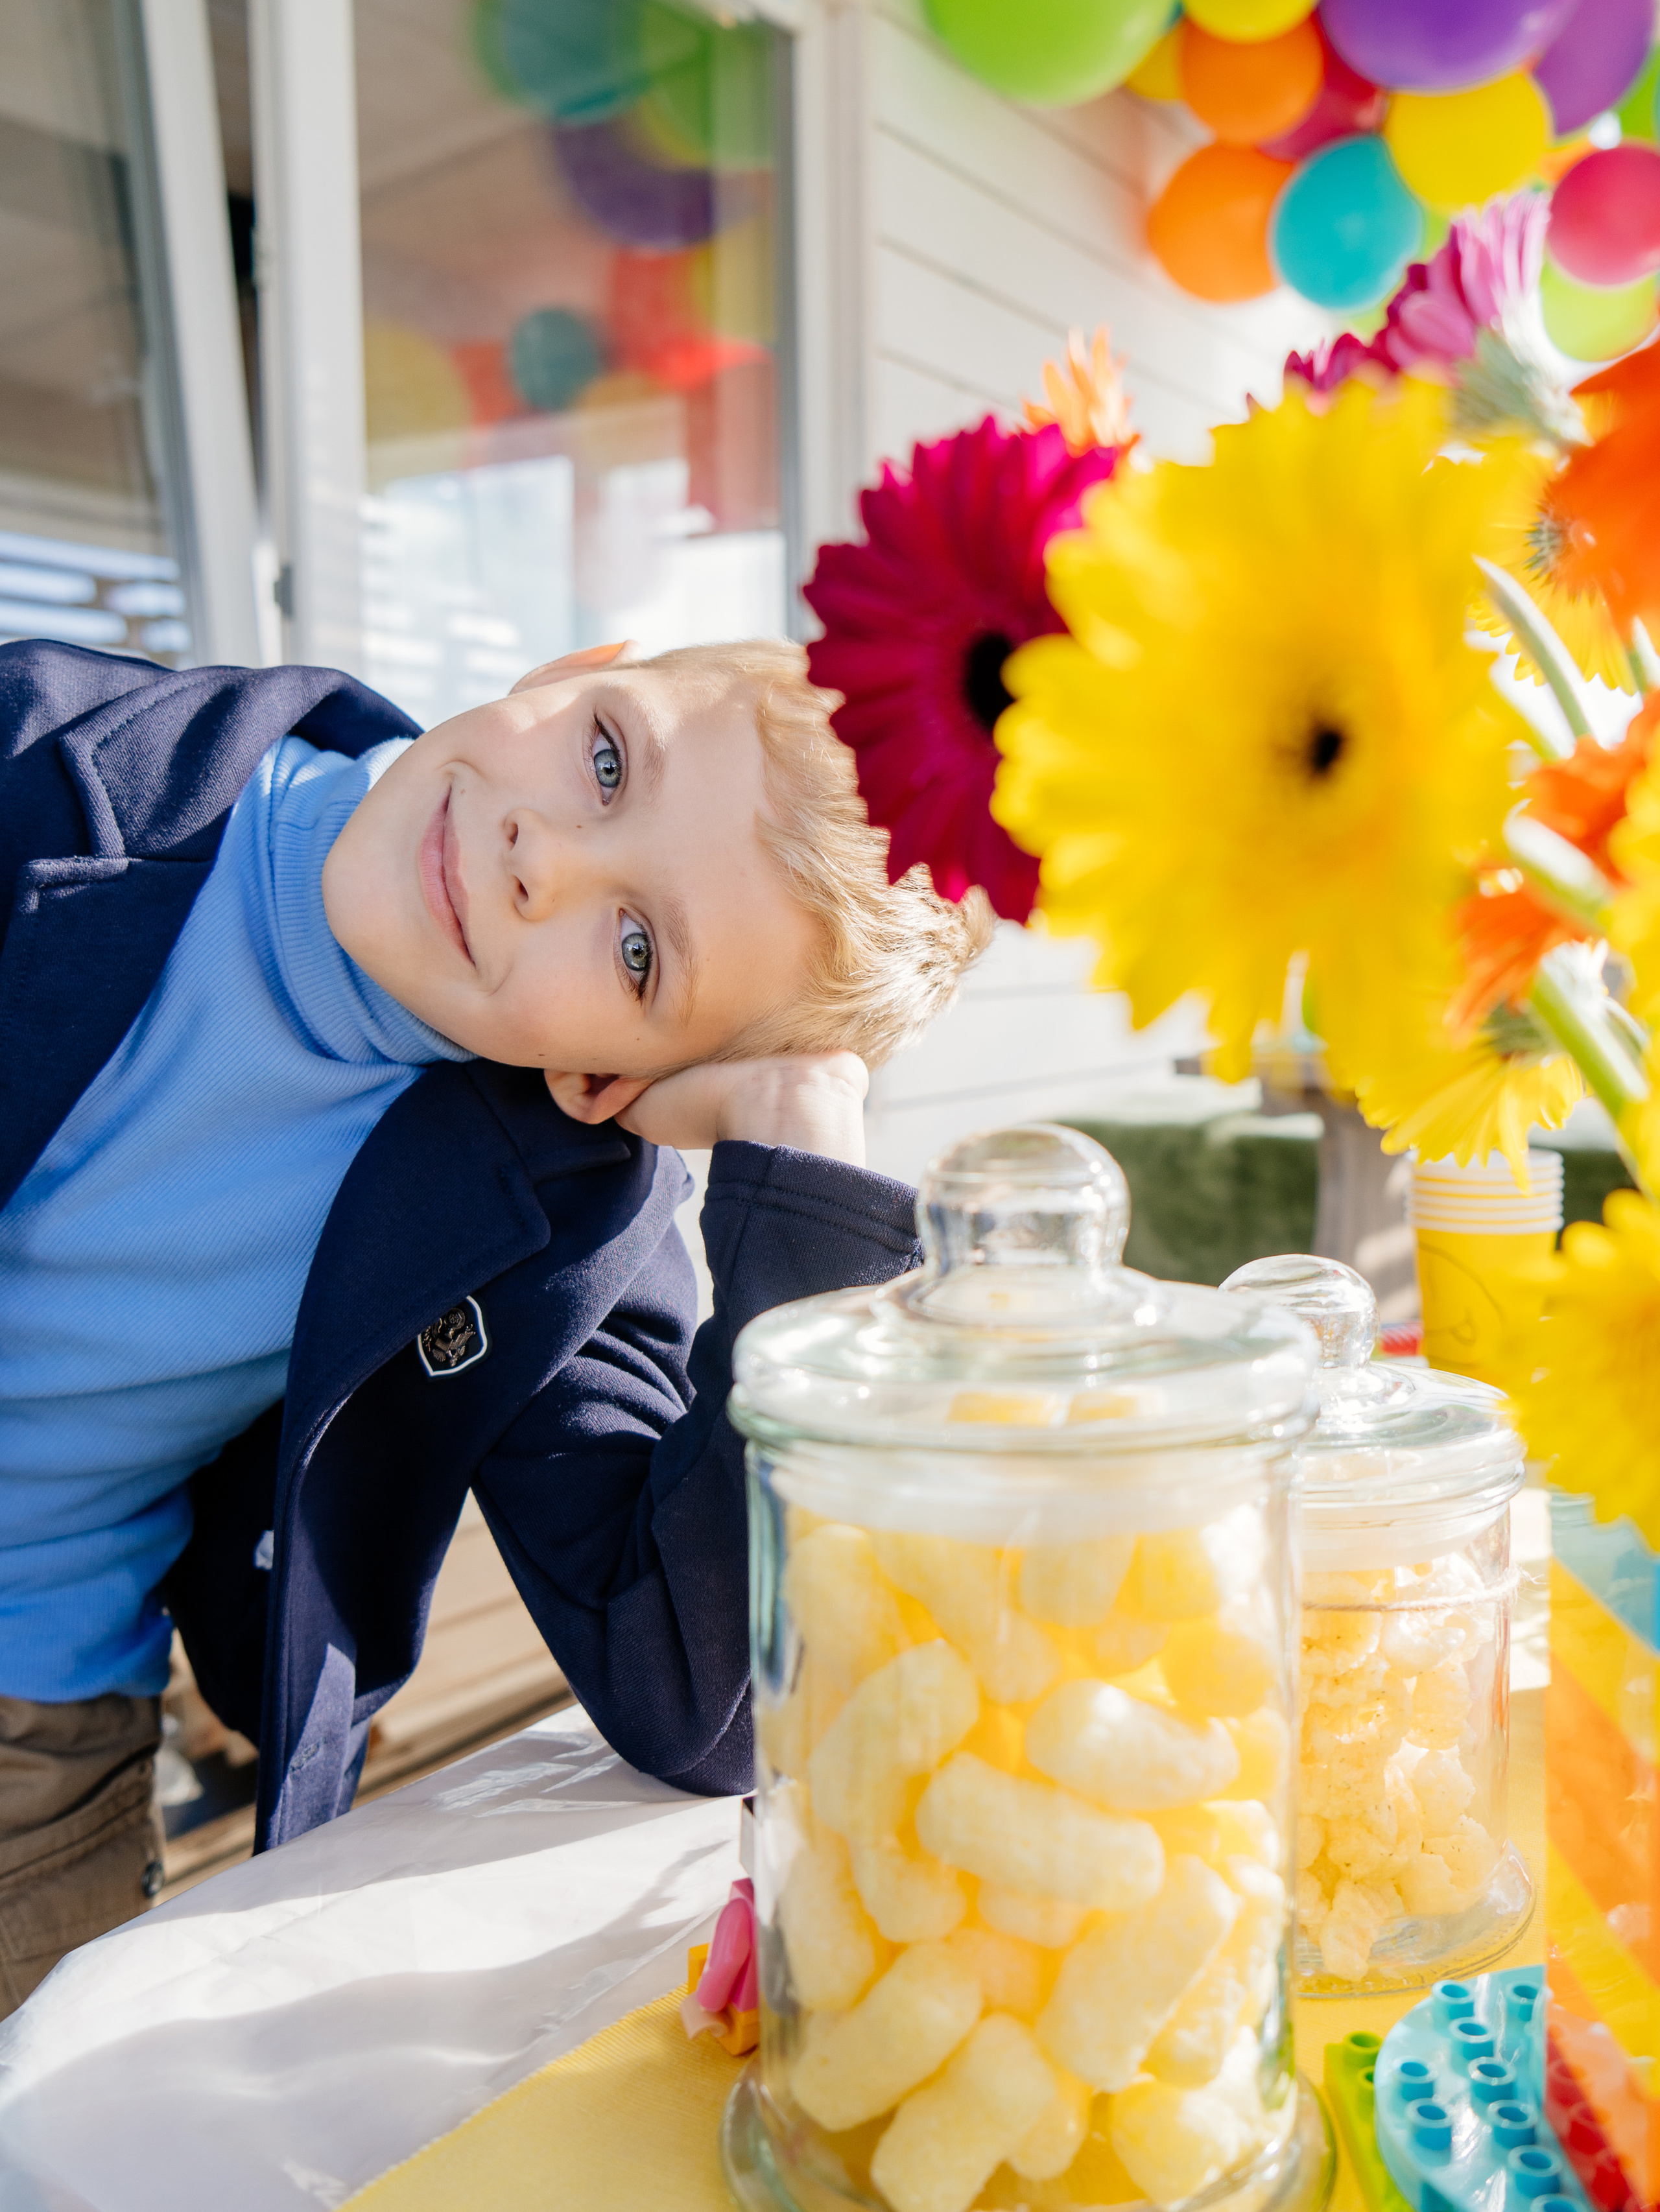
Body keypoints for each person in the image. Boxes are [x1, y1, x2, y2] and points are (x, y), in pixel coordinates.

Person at [0, 634, 991, 2016]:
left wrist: (807, 1180)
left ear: (605, 1082)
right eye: (608, 759)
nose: (545, 860)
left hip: (30, 1729)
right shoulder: (40, 758)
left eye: (638, 952)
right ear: (573, 665)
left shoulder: (555, 1203)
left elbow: (704, 1698)